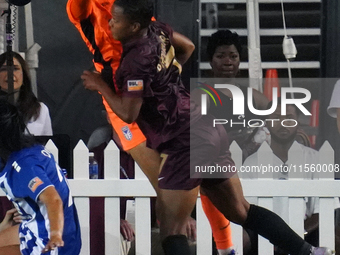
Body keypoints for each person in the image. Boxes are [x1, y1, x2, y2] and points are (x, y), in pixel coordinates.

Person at [80, 0, 334, 254]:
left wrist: (99, 85)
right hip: (207, 128)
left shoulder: (134, 62)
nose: (109, 23)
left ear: (134, 25)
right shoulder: (159, 32)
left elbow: (127, 113)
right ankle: (309, 252)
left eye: (116, 19)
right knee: (241, 210)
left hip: (183, 141)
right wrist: (170, 74)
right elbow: (188, 46)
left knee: (171, 228)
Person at [66, 1, 226, 253]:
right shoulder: (86, 10)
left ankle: (219, 243)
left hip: (145, 98)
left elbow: (183, 45)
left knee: (183, 193)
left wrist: (166, 73)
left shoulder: (130, 9)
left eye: (116, 21)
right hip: (124, 102)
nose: (112, 23)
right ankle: (190, 228)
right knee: (169, 191)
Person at [243, 99, 340, 254]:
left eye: (289, 118)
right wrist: (275, 237)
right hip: (264, 241)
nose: (283, 123)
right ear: (266, 123)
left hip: (307, 240)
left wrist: (293, 238)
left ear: (297, 123)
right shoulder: (251, 163)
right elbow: (247, 211)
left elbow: (324, 210)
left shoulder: (316, 159)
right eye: (276, 118)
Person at [0, 99, 81, 254]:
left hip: (48, 242)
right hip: (35, 228)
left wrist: (56, 235)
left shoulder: (24, 167)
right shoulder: (29, 149)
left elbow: (53, 199)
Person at [0, 51, 54, 240]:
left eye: (15, 68)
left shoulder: (40, 110)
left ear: (24, 74)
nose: (10, 74)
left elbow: (48, 149)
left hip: (32, 181)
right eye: (4, 69)